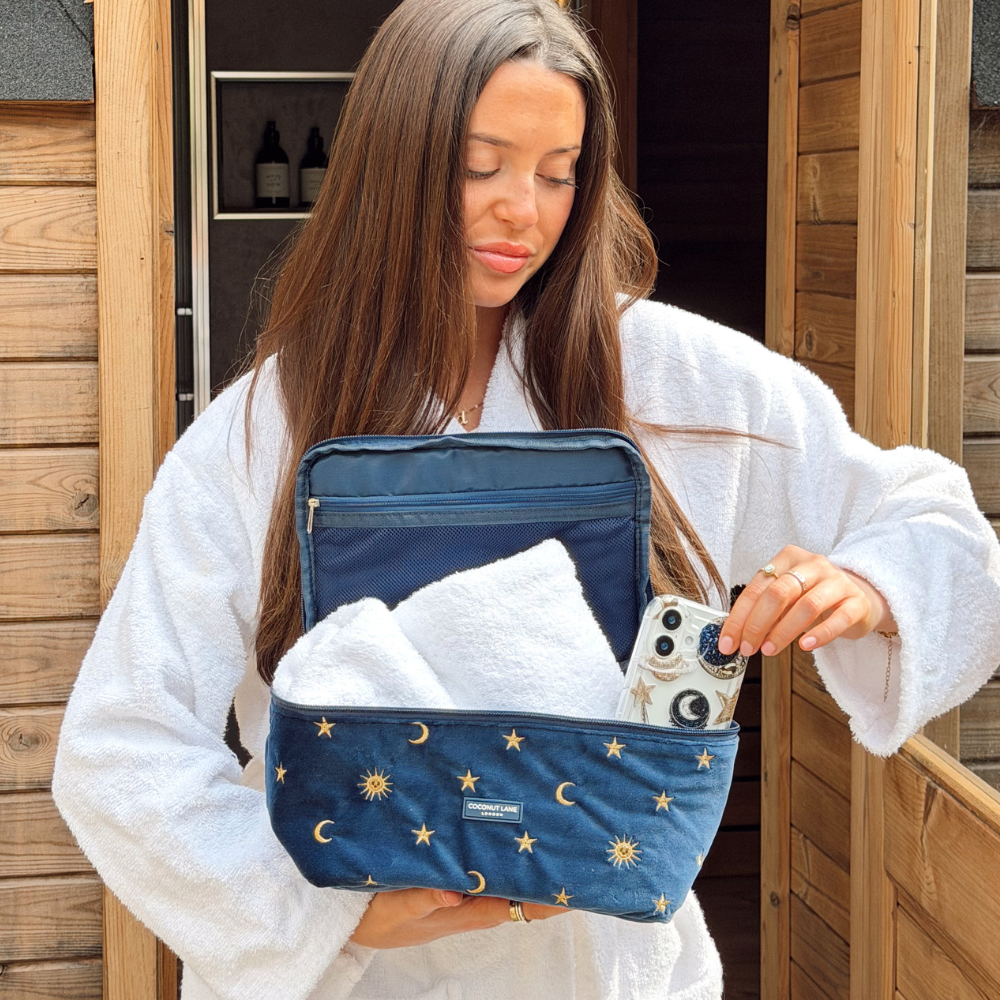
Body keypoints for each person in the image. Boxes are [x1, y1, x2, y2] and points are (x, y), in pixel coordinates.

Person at [51, 1, 1000, 998]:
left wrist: (869, 581)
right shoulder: (262, 431)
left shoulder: (681, 381)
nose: (524, 209)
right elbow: (122, 741)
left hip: (608, 969)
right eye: (481, 163)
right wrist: (327, 907)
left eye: (559, 172)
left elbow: (931, 522)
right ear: (394, 161)